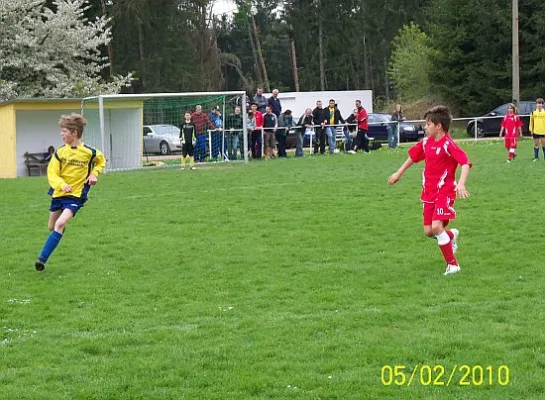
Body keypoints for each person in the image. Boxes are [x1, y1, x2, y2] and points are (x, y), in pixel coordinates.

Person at [387, 105, 472, 276]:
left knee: (435, 227)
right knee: (428, 231)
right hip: (428, 193)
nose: (425, 127)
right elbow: (412, 157)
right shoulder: (426, 143)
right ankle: (451, 236)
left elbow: (464, 162)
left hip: (445, 191)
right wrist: (399, 172)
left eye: (428, 124)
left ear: (438, 126)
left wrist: (461, 184)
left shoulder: (448, 145)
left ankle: (453, 266)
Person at [35, 113, 106, 271]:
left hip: (76, 195)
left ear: (74, 133)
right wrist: (61, 184)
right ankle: (59, 231)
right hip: (59, 194)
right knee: (52, 226)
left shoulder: (91, 152)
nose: (61, 134)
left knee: (60, 223)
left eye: (64, 131)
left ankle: (41, 260)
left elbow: (101, 161)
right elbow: (52, 173)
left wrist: (94, 173)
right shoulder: (60, 153)